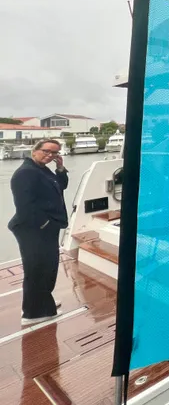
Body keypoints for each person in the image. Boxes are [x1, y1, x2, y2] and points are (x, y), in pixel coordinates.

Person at [9, 139, 69, 325]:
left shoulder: (41, 169)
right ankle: (34, 314)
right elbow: (25, 207)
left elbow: (61, 186)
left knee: (47, 267)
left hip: (43, 228)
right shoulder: (26, 173)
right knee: (38, 269)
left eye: (54, 153)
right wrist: (46, 225)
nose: (50, 155)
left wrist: (60, 169)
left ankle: (41, 301)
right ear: (34, 150)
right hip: (34, 229)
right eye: (46, 151)